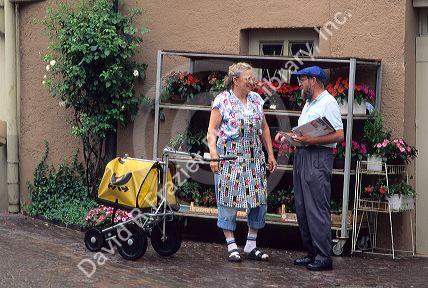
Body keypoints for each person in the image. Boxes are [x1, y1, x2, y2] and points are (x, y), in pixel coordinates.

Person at [275, 66, 344, 271]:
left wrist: (311, 140)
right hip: (303, 155)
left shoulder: (328, 102)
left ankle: (324, 256)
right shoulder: (308, 103)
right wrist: (288, 136)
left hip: (318, 157)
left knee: (316, 208)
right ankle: (312, 252)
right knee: (303, 208)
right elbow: (305, 133)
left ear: (313, 80)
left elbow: (339, 135)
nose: (299, 84)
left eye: (302, 80)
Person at [207, 62, 277, 262]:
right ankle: (231, 245)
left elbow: (264, 128)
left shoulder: (256, 99)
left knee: (258, 199)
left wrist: (270, 154)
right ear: (236, 80)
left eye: (252, 78)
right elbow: (212, 131)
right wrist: (214, 154)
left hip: (254, 156)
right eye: (248, 79)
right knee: (228, 198)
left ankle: (251, 245)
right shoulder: (222, 100)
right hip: (230, 156)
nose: (252, 82)